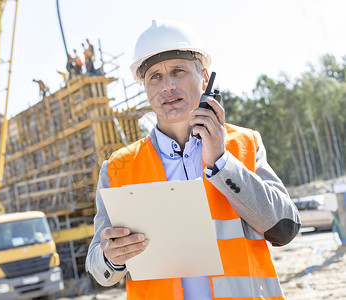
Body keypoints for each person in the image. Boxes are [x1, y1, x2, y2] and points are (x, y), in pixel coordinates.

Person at [85, 20, 301, 300]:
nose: (168, 86)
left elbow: (285, 228)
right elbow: (97, 267)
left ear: (205, 77)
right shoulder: (118, 167)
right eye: (155, 77)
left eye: (178, 71)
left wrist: (222, 162)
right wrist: (112, 257)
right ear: (145, 88)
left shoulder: (243, 144)